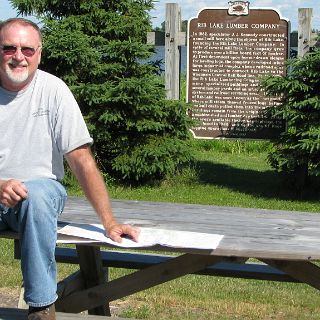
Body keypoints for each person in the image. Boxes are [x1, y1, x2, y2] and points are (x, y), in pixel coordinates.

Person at [0, 18, 139, 320]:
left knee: (34, 196)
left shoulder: (54, 91)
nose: (18, 56)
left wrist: (109, 222)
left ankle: (41, 308)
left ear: (39, 53)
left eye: (27, 49)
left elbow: (81, 159)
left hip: (42, 192)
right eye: (9, 48)